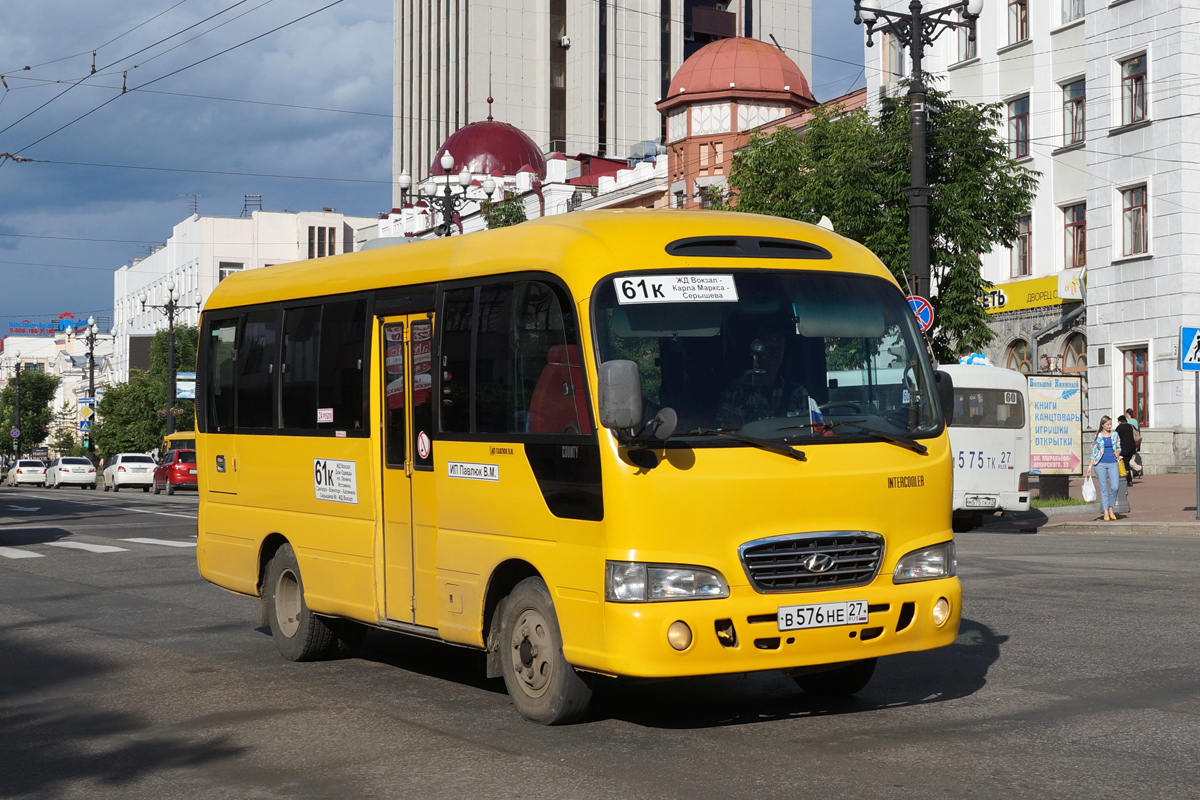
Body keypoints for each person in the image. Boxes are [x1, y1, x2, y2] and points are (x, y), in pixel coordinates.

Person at [716, 318, 809, 429]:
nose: (775, 353)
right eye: (769, 347)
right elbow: (723, 433)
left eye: (779, 347)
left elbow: (811, 429)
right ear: (756, 350)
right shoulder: (737, 392)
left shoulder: (798, 393)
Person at [1085, 415, 1121, 521]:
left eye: (1110, 424)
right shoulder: (1098, 436)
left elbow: (1119, 447)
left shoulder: (1115, 435)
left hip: (1113, 462)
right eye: (1107, 424)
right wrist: (1090, 467)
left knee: (1115, 486)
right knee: (1103, 488)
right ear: (1102, 425)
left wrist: (1118, 453)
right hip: (1100, 464)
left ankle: (1111, 507)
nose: (1110, 426)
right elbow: (1094, 452)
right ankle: (1106, 511)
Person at [1115, 415, 1136, 486]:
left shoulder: (1119, 427)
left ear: (1120, 421)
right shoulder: (1130, 426)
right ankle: (1127, 478)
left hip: (1124, 449)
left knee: (1125, 464)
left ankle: (1129, 480)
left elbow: (1115, 437)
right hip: (1132, 448)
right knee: (1127, 464)